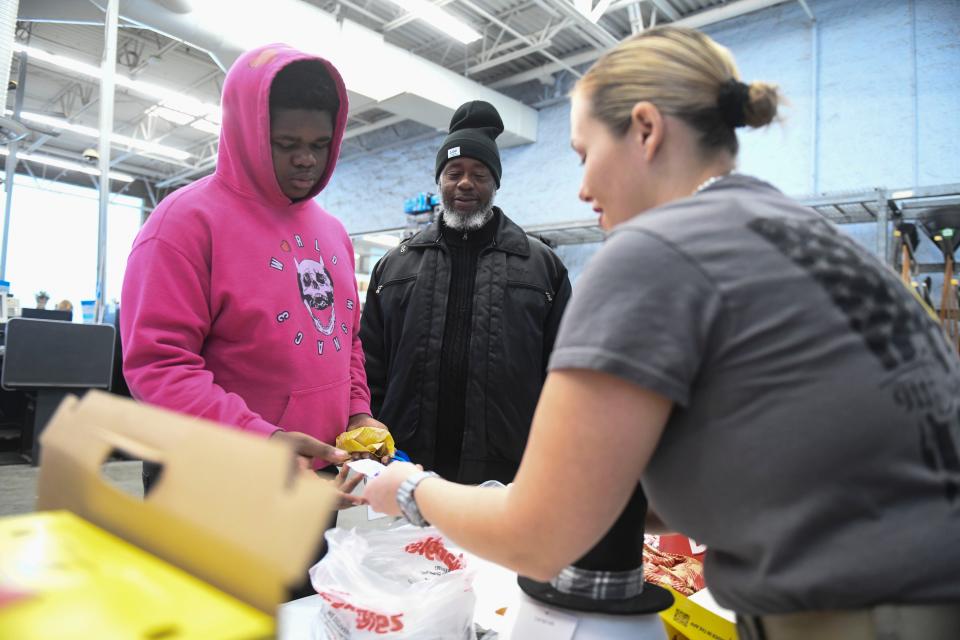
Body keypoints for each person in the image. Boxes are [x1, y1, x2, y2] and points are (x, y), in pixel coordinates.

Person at [366, 26, 960, 639]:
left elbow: (541, 536)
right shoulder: (797, 231)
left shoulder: (654, 250)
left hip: (864, 610)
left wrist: (407, 488)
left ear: (646, 130)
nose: (582, 187)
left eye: (583, 153)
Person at [121, 44, 386, 504]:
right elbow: (159, 366)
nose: (307, 160)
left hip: (314, 477)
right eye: (287, 144)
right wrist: (259, 439)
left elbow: (347, 341)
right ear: (246, 132)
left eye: (320, 145)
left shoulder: (334, 232)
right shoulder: (183, 224)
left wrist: (357, 413)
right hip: (213, 478)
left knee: (308, 579)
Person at [359, 100, 571, 484]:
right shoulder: (395, 265)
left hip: (508, 466)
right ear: (439, 181)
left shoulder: (541, 266)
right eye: (453, 172)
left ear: (495, 183)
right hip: (407, 463)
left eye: (480, 173)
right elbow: (369, 362)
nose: (465, 183)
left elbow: (563, 370)